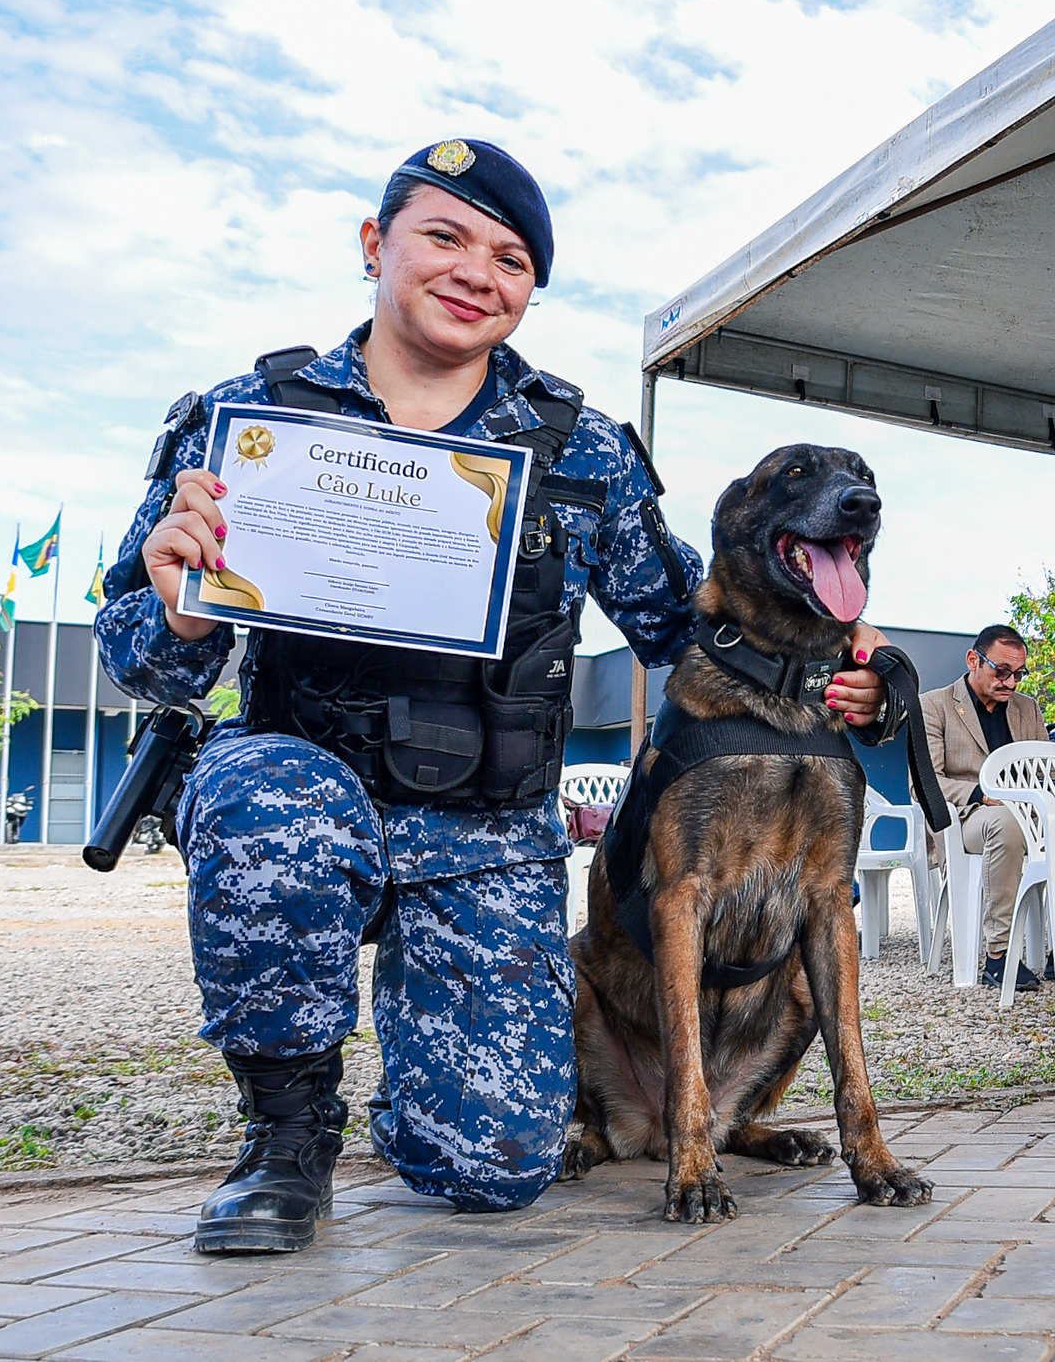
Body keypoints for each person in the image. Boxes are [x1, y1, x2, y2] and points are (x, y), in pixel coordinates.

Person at [93, 139, 895, 1253]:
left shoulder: (581, 449)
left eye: (510, 258)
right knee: (259, 794)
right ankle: (285, 1134)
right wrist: (181, 612)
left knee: (494, 1165)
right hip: (304, 789)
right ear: (374, 245)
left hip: (481, 830)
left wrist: (842, 653)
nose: (476, 272)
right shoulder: (255, 420)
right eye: (444, 237)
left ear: (529, 290)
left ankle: (424, 1075)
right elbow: (131, 655)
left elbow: (689, 623)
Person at [923, 627, 1055, 991]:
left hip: (1031, 812)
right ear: (973, 660)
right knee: (1007, 821)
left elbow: (1047, 771)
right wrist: (982, 794)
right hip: (969, 815)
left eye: (1019, 673)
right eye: (1002, 671)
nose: (1011, 682)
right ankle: (999, 955)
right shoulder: (934, 706)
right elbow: (926, 782)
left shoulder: (1026, 707)